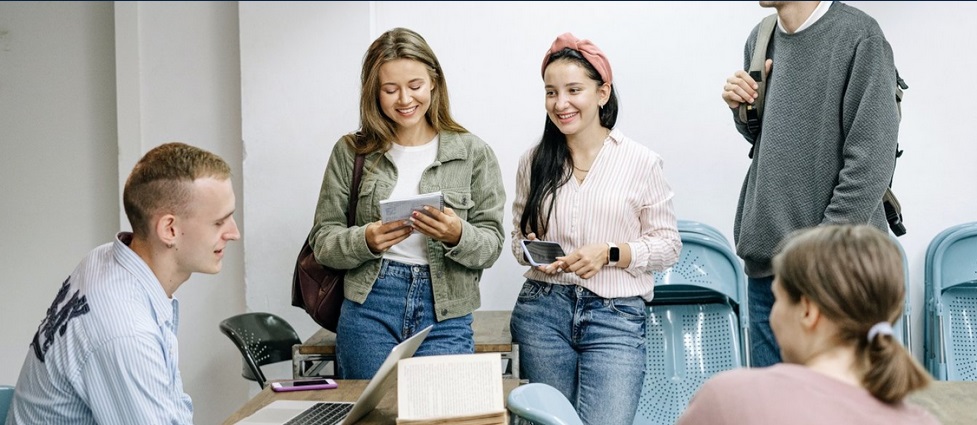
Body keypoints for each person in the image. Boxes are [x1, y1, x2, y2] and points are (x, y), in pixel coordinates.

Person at [309, 27, 506, 380]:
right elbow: (323, 242)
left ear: (434, 82)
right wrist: (366, 240)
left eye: (414, 85)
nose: (404, 99)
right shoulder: (351, 153)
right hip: (370, 306)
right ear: (374, 92)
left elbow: (492, 246)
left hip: (446, 311)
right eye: (390, 89)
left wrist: (457, 234)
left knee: (442, 416)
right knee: (371, 417)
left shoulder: (473, 153)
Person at [509, 32, 682, 425]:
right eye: (551, 92)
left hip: (615, 317)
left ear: (602, 93)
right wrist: (532, 250)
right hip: (542, 310)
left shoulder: (641, 161)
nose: (561, 103)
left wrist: (610, 252)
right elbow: (518, 240)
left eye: (574, 90)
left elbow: (669, 245)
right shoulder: (533, 161)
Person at [6, 142, 240, 425]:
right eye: (219, 222)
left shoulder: (104, 258)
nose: (234, 233)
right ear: (169, 229)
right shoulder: (125, 332)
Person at [721, 1, 901, 367]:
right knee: (775, 409)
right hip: (767, 266)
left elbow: (870, 164)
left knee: (842, 407)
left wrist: (817, 258)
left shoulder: (860, 37)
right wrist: (743, 109)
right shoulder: (761, 38)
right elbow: (767, 139)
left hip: (836, 273)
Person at [677, 224, 937, 424]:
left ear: (808, 311)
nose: (771, 315)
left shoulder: (730, 397)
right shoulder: (920, 420)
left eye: (777, 300)